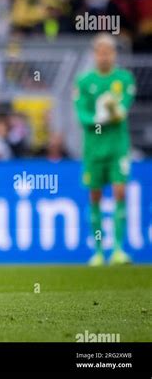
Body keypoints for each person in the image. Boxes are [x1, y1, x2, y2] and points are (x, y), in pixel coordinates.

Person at [74, 34, 136, 266]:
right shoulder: (84, 81)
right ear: (94, 54)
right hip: (93, 149)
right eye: (100, 52)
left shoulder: (124, 78)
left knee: (120, 192)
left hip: (118, 147)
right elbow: (81, 113)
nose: (104, 56)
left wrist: (113, 112)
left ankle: (118, 249)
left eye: (108, 52)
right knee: (95, 196)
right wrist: (97, 117)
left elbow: (124, 108)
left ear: (114, 54)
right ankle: (99, 252)